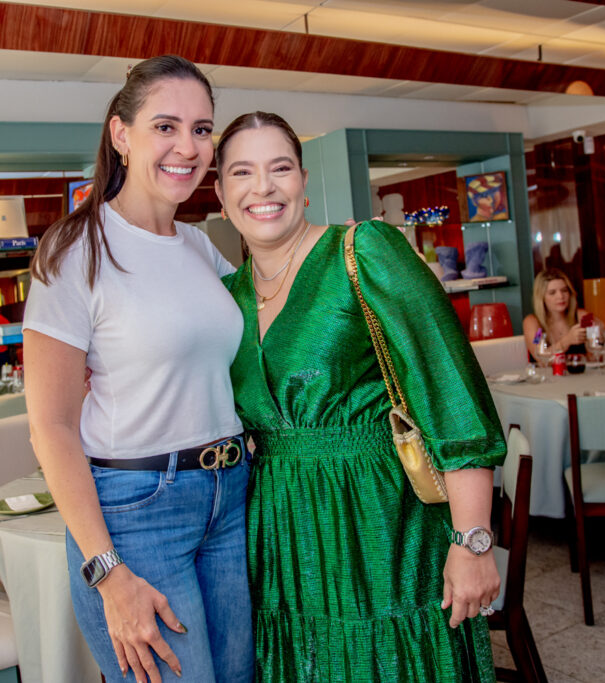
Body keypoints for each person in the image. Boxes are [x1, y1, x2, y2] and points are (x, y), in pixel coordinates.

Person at [215, 111, 506, 681]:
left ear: (303, 183)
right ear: (222, 196)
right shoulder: (224, 297)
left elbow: (451, 394)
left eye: (280, 168)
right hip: (280, 532)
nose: (263, 187)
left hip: (381, 520)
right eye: (242, 173)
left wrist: (473, 542)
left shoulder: (363, 250)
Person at [22, 55, 253, 683]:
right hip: (137, 512)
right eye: (166, 126)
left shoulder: (202, 246)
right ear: (121, 135)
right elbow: (51, 428)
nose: (188, 146)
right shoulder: (74, 250)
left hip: (231, 495)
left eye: (203, 129)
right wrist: (106, 571)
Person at [522, 268, 602, 361]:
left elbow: (595, 359)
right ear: (541, 297)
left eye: (564, 290)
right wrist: (567, 341)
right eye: (552, 293)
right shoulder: (532, 322)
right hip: (547, 375)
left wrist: (598, 340)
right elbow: (542, 359)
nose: (560, 296)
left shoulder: (582, 316)